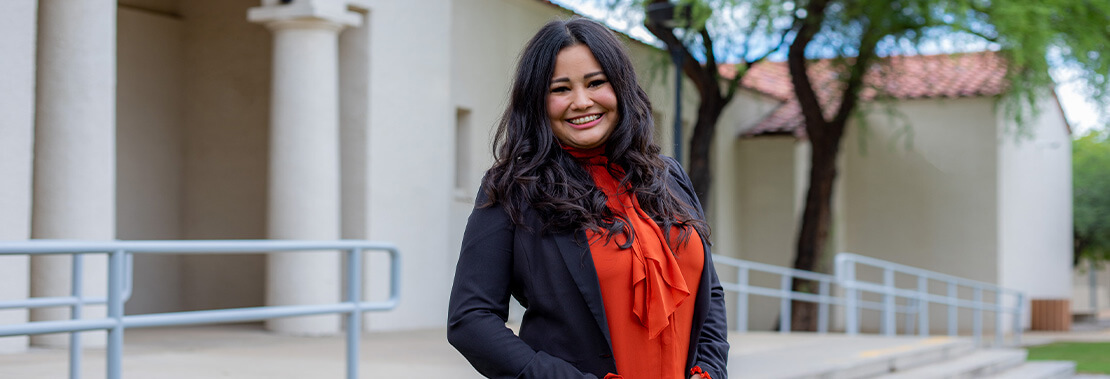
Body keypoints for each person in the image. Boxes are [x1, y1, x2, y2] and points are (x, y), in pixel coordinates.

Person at [447, 17, 729, 379]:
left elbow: (710, 292)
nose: (581, 102)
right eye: (560, 89)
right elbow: (470, 320)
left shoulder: (668, 175)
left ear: (621, 87)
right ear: (537, 100)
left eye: (596, 82)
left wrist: (710, 370)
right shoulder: (512, 189)